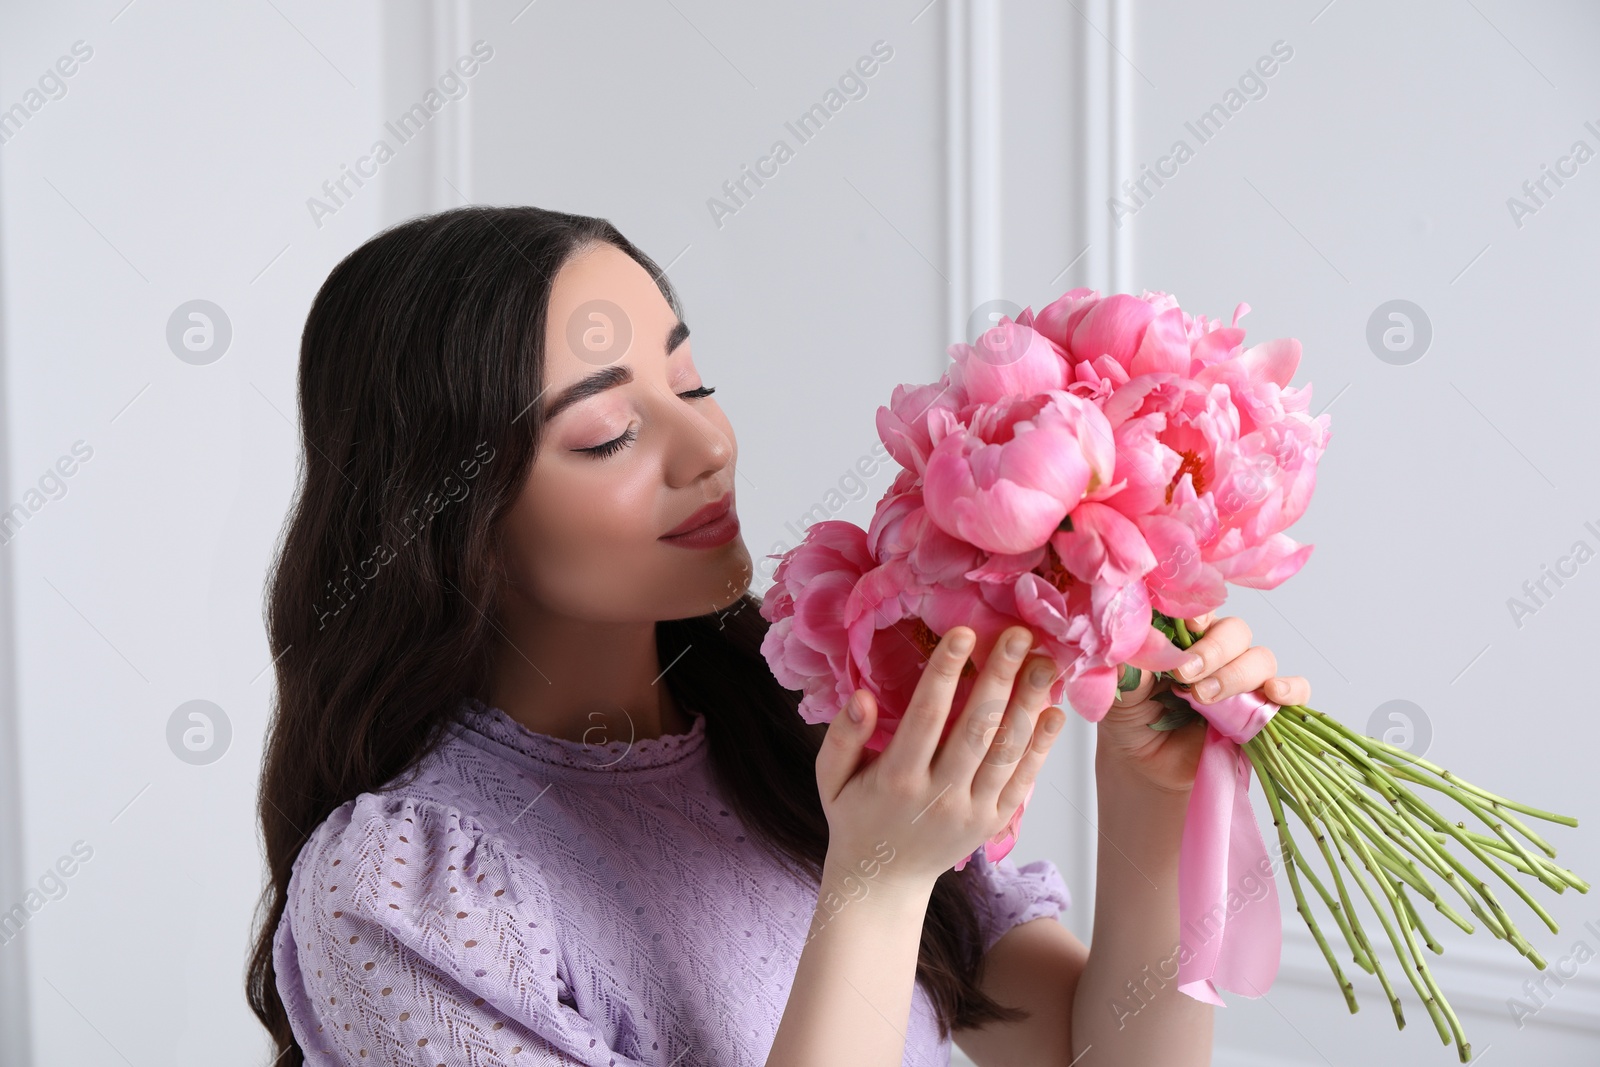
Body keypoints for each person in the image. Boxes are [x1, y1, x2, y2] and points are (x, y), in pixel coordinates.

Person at [244, 205, 1310, 1066]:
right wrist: (876, 882)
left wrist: (1149, 802)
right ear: (450, 519)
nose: (706, 441)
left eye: (691, 381)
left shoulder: (808, 714)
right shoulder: (404, 888)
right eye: (608, 431)